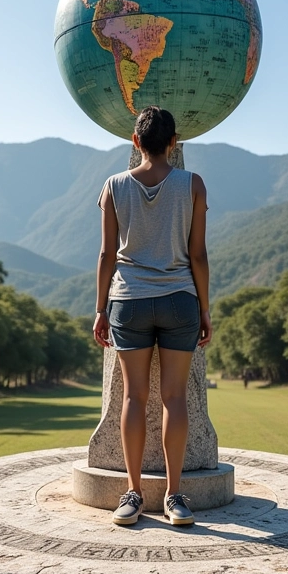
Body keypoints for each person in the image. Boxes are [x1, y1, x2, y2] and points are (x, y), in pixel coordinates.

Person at [93, 106, 211, 527]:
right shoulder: (192, 185)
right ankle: (176, 498)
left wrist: (100, 308)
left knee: (133, 398)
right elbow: (198, 254)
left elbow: (108, 254)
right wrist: (206, 309)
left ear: (135, 141)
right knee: (174, 399)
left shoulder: (113, 186)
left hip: (129, 301)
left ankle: (133, 494)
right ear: (174, 143)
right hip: (180, 299)